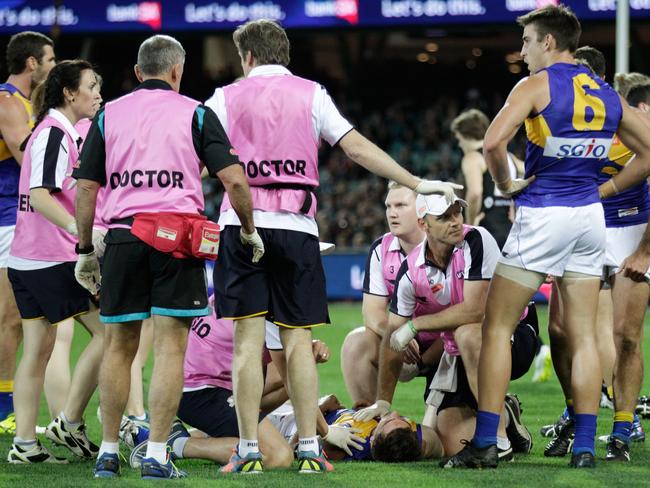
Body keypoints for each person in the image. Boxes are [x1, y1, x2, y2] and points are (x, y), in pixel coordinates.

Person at [206, 19, 461, 475]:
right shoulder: (311, 93)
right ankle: (309, 447)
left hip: (241, 224)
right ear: (284, 54)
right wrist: (417, 182)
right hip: (297, 228)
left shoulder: (224, 97)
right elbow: (357, 148)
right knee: (297, 340)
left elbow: (198, 156)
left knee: (247, 343)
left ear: (246, 57)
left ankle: (247, 451)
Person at [443, 4, 650, 469]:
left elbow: (494, 142)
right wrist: (608, 187)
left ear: (549, 42)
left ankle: (485, 444)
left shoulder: (536, 84)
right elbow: (649, 151)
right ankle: (583, 447)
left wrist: (502, 185)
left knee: (495, 327)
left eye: (528, 42)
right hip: (589, 218)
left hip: (543, 213)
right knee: (582, 337)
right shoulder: (604, 91)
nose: (523, 51)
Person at [72, 35, 259, 480]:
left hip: (122, 237)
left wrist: (84, 249)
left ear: (138, 73)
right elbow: (234, 179)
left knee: (119, 347)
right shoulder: (195, 112)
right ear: (177, 71)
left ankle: (109, 452)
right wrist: (249, 230)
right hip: (177, 239)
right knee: (170, 348)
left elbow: (85, 188)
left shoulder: (108, 114)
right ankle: (156, 453)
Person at [355, 194, 536, 460]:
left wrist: (416, 325)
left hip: (512, 334)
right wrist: (383, 401)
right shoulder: (411, 270)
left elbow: (474, 310)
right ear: (424, 224)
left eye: (457, 214)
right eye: (444, 217)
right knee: (452, 440)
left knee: (468, 332)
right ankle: (506, 416)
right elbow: (393, 333)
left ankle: (496, 439)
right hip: (457, 353)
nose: (455, 223)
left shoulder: (477, 239)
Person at [6, 60, 104, 464]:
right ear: (69, 92)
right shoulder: (54, 133)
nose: (98, 92)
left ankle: (25, 444)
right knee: (113, 332)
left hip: (28, 260)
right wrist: (82, 234)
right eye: (91, 86)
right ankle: (69, 419)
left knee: (38, 351)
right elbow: (41, 194)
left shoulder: (54, 131)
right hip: (52, 260)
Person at [0, 31, 56, 436]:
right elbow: (28, 159)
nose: (53, 66)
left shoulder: (30, 104)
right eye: (50, 60)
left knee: (25, 320)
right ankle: (5, 406)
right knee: (9, 318)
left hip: (23, 219)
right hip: (5, 217)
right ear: (32, 63)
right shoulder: (7, 101)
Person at [341, 181, 434, 408]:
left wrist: (416, 344)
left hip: (446, 342)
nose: (392, 213)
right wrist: (398, 335)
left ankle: (501, 413)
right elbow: (372, 313)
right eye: (388, 206)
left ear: (422, 209)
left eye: (401, 205)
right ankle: (371, 427)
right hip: (403, 341)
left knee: (448, 441)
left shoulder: (442, 244)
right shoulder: (381, 248)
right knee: (356, 343)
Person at [268, 394, 444, 463]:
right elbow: (438, 447)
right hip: (296, 409)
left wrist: (321, 406)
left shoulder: (352, 444)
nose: (395, 413)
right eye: (400, 419)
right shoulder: (410, 438)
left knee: (286, 377)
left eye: (389, 421)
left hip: (286, 423)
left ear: (374, 441)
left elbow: (300, 446)